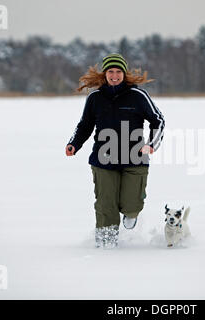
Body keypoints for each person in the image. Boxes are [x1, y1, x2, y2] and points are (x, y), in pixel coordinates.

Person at [65, 53, 165, 248]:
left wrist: (151, 144)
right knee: (105, 204)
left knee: (131, 204)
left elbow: (158, 121)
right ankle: (106, 242)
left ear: (124, 74)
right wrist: (74, 144)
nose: (114, 75)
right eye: (110, 71)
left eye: (118, 71)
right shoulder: (95, 98)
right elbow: (85, 125)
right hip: (104, 159)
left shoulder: (138, 95)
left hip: (134, 158)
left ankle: (131, 213)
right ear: (105, 74)